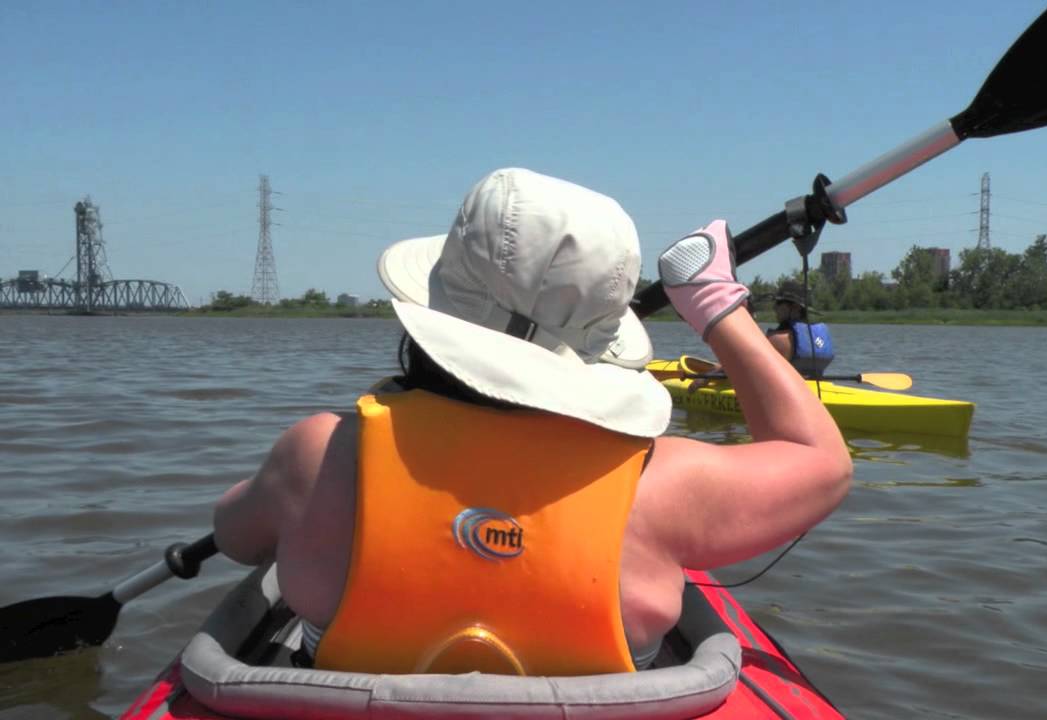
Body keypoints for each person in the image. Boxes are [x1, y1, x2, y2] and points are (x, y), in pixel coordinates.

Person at [212, 168, 851, 676]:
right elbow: (822, 461)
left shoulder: (316, 458)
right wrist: (714, 303)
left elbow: (235, 538)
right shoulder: (663, 486)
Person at [766, 281, 836, 377]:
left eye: (779, 303)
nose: (774, 307)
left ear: (795, 307)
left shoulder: (777, 339)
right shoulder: (820, 337)